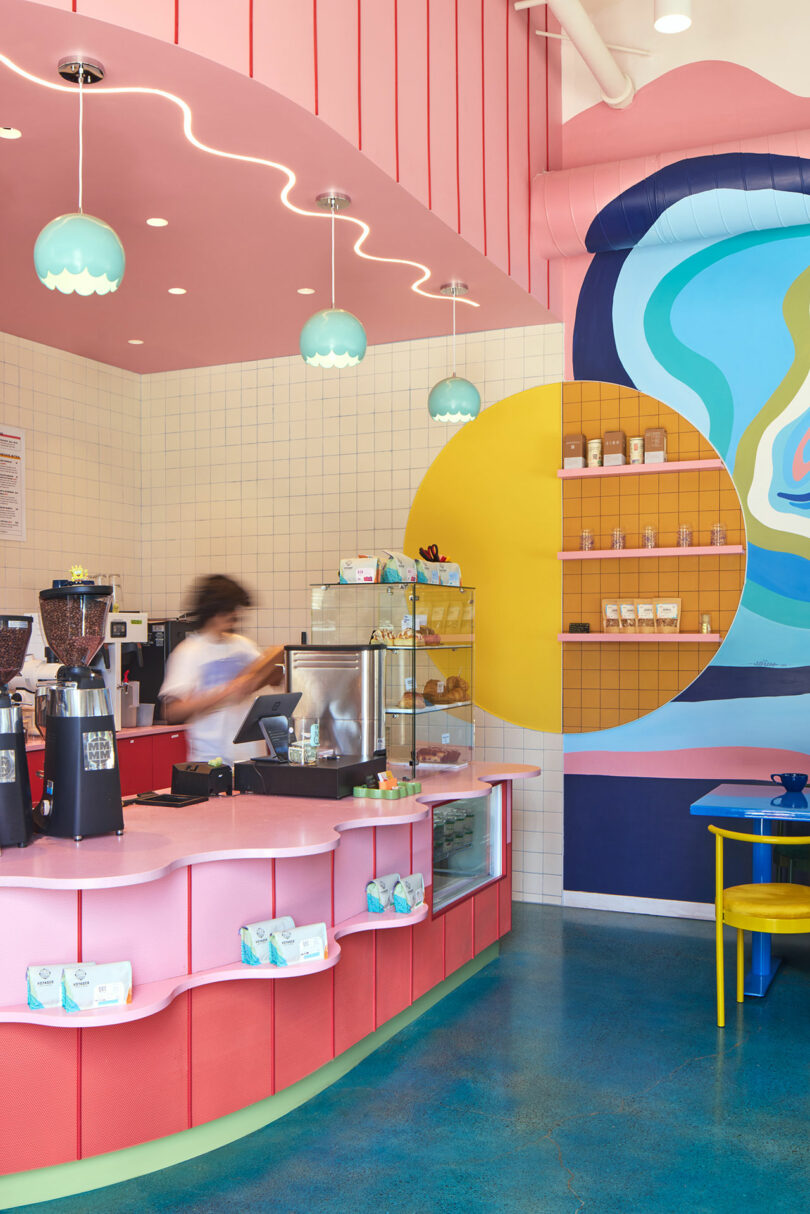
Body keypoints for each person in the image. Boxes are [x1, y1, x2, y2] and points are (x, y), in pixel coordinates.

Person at [159, 574, 285, 765]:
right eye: (229, 610)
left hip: (250, 757)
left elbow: (274, 678)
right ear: (212, 610)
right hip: (211, 759)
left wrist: (275, 665)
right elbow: (172, 711)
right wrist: (227, 691)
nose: (235, 616)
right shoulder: (189, 652)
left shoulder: (243, 645)